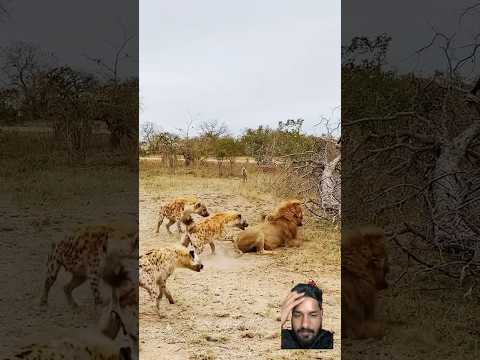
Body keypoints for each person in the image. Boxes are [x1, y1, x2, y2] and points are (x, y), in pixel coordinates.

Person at [280, 281, 333, 349]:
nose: (305, 325)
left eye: (313, 315)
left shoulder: (330, 341)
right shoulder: (283, 339)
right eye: (298, 315)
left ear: (321, 313)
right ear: (291, 314)